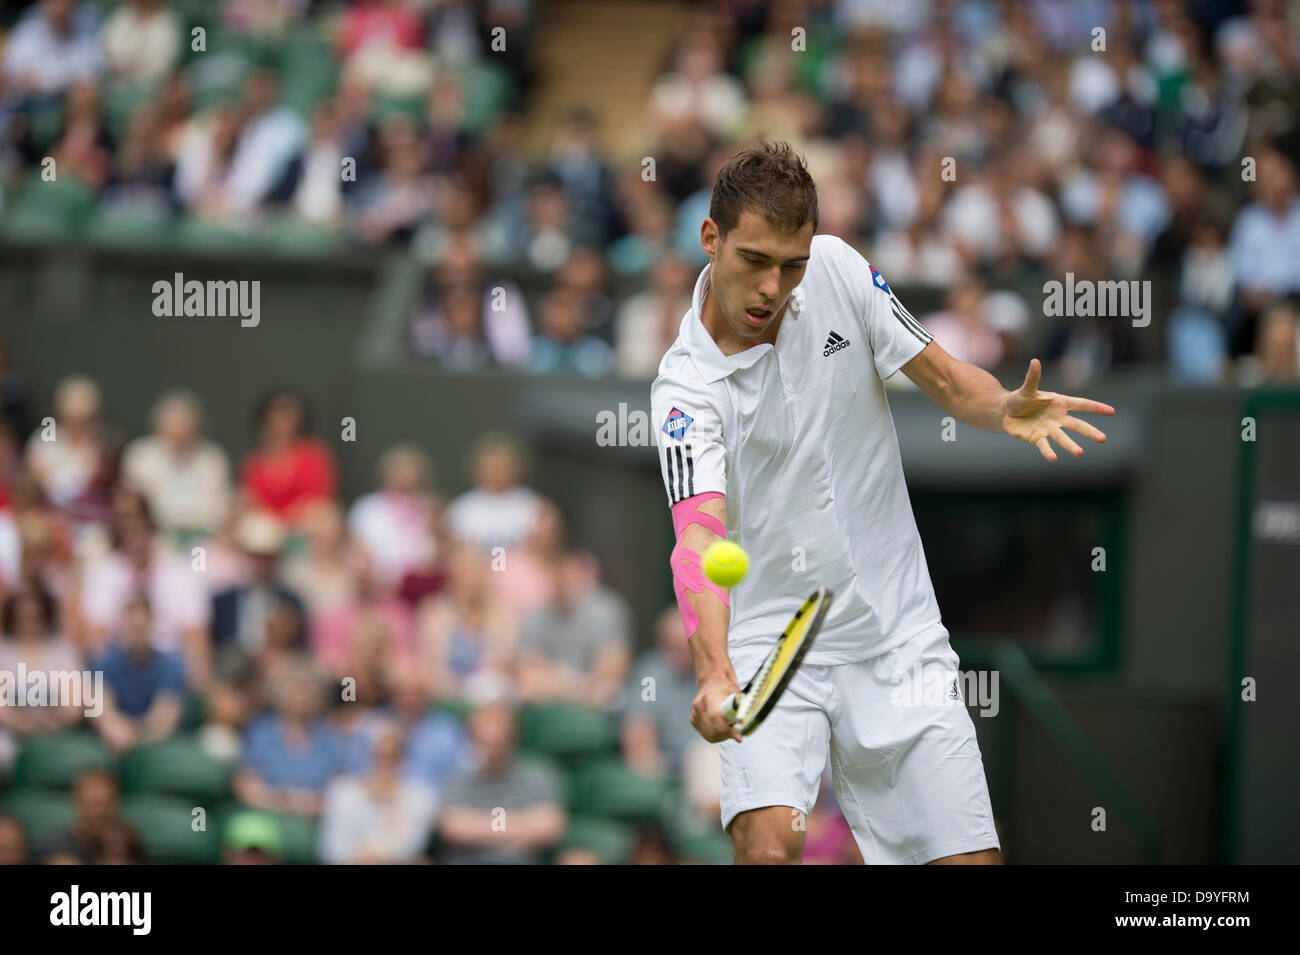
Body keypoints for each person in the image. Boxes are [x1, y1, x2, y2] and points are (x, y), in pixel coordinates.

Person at [651, 142, 1114, 865]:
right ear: (710, 239)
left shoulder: (838, 269)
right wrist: (713, 671)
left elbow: (952, 383)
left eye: (791, 264)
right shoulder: (684, 394)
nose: (773, 286)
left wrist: (1002, 408)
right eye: (754, 259)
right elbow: (700, 540)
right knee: (768, 848)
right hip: (772, 640)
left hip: (898, 634)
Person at [435, 698, 566, 865]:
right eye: (485, 743)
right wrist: (522, 827)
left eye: (499, 743)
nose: (492, 752)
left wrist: (478, 826)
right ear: (472, 741)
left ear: (512, 741)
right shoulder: (456, 779)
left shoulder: (537, 777)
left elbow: (549, 827)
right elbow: (454, 829)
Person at [92, 594, 187, 753]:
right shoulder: (105, 663)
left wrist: (133, 734)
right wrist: (115, 729)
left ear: (152, 624)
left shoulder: (173, 666)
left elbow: (164, 721)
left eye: (141, 628)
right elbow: (100, 711)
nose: (137, 634)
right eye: (133, 627)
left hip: (157, 746)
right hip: (117, 742)